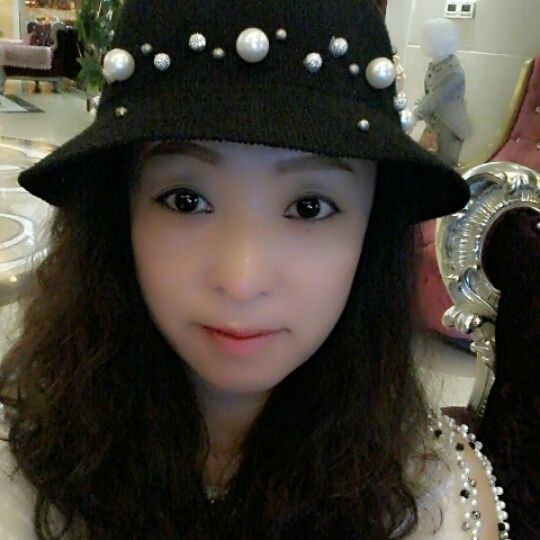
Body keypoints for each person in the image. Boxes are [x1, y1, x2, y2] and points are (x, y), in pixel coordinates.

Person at [0, 1, 509, 538]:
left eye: (309, 207)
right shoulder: (18, 478)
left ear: (372, 229)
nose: (241, 281)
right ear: (119, 212)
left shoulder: (438, 507)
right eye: (185, 200)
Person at [413, 18, 473, 168]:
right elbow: (429, 94)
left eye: (426, 39)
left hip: (450, 127)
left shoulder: (453, 72)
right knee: (423, 160)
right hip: (435, 123)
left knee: (443, 167)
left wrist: (414, 116)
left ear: (440, 41)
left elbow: (434, 98)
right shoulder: (437, 65)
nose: (422, 43)